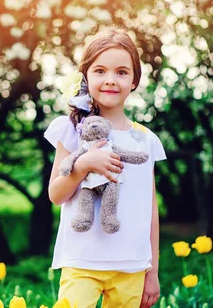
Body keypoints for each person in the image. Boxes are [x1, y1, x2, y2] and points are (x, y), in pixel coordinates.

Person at [44, 26, 167, 308]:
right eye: (100, 71)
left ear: (134, 80)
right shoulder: (71, 129)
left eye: (121, 72)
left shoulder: (145, 140)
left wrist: (153, 271)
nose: (110, 80)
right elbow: (55, 194)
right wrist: (84, 164)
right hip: (81, 261)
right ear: (85, 76)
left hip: (132, 265)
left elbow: (150, 210)